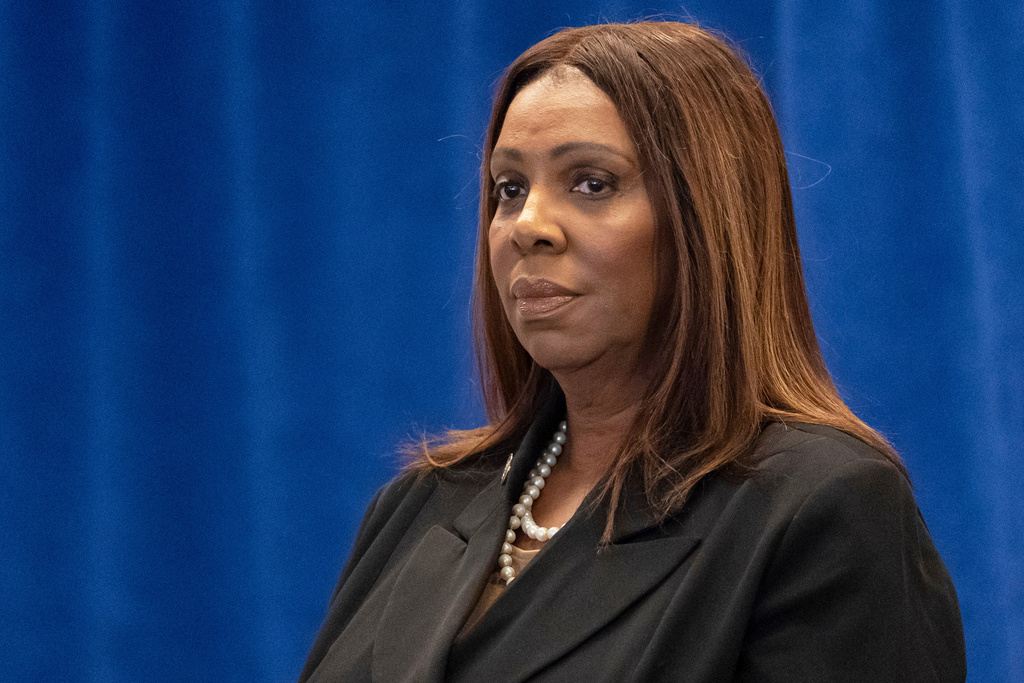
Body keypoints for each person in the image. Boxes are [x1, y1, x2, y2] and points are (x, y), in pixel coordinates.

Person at [299, 21, 966, 682]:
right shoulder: (417, 505)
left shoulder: (821, 508)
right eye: (508, 188)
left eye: (591, 182)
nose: (527, 226)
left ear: (704, 218)